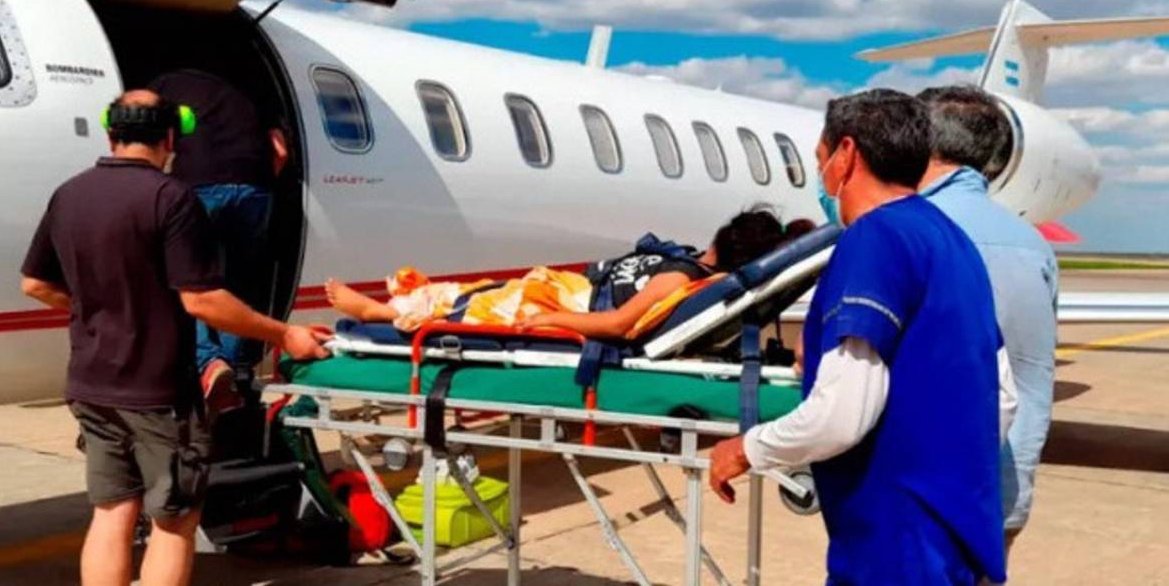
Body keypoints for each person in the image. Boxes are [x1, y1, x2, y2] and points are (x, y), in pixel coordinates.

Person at [19, 89, 329, 586]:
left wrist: (102, 307)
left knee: (112, 512)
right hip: (158, 394)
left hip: (91, 386)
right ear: (170, 138)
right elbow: (203, 301)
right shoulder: (171, 198)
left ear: (111, 134)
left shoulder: (69, 194)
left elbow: (35, 284)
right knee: (174, 520)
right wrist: (284, 332)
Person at [708, 89, 1017, 585]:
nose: (822, 175)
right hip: (952, 536)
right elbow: (1001, 396)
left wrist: (748, 448)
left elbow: (842, 414)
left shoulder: (873, 239)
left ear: (846, 153)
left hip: (892, 544)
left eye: (820, 160)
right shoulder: (952, 241)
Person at [917, 84, 1059, 554]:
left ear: (922, 143)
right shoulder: (1033, 244)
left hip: (920, 503)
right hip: (1005, 494)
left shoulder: (904, 231)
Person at [325, 210, 788, 338]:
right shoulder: (688, 265)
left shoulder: (681, 278)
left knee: (473, 308)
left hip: (572, 304)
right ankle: (391, 306)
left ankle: (379, 314)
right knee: (472, 293)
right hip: (569, 290)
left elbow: (617, 324)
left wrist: (552, 320)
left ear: (724, 236)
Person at [148, 69, 289, 413]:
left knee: (187, 279)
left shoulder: (163, 86)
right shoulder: (252, 91)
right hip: (254, 187)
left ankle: (208, 362)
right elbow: (281, 151)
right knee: (241, 282)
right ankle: (235, 370)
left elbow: (153, 140)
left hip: (199, 183)